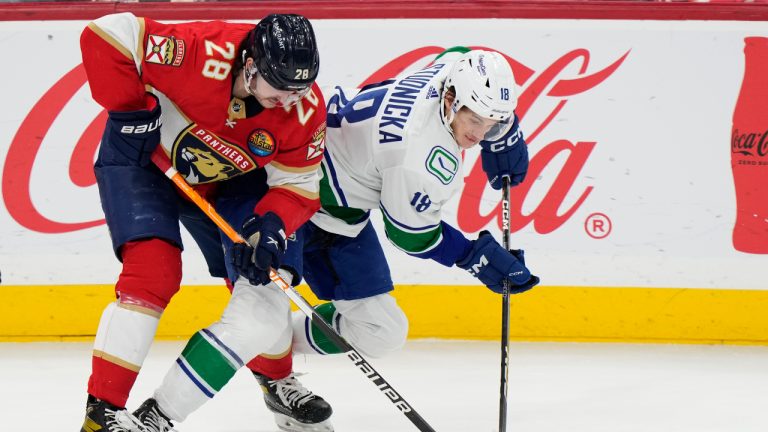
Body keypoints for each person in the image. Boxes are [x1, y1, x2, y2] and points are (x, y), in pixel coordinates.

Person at [135, 47, 539, 432]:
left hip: (339, 213)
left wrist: (505, 133)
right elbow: (411, 236)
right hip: (280, 187)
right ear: (451, 98)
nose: (481, 133)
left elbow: (461, 49)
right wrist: (474, 256)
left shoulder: (449, 71)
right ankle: (155, 416)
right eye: (476, 122)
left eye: (494, 123)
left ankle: (274, 360)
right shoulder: (419, 157)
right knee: (257, 318)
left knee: (382, 330)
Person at [78, 12, 328, 432]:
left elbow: (300, 183)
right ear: (250, 65)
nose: (289, 100)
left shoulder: (304, 111)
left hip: (226, 181)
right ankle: (102, 412)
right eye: (280, 87)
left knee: (260, 282)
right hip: (143, 162)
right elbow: (106, 33)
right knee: (153, 272)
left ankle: (276, 379)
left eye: (299, 88)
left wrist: (273, 223)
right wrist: (129, 111)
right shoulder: (198, 50)